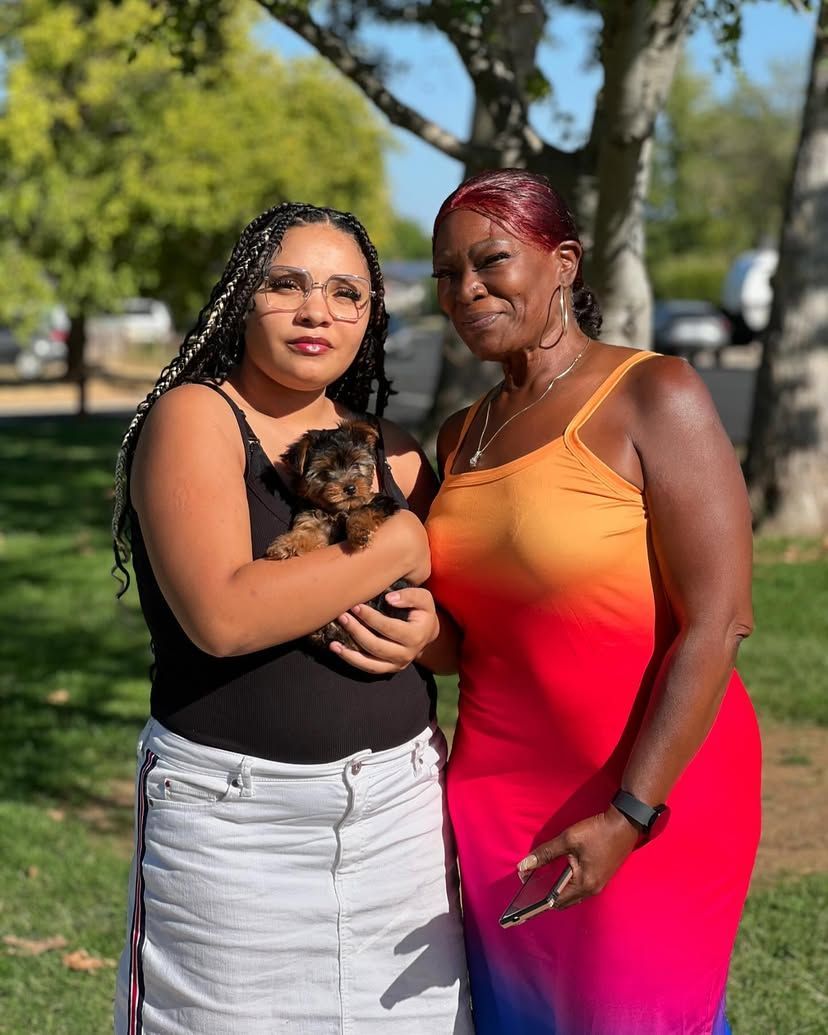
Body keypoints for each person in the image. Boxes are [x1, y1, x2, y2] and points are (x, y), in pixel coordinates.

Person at [111, 201, 472, 1035]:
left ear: (369, 318)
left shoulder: (396, 448)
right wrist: (395, 542)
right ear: (243, 297)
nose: (319, 310)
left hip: (398, 818)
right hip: (235, 831)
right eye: (288, 284)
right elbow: (224, 615)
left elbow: (451, 636)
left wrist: (428, 635)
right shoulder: (198, 417)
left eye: (347, 293)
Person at [425, 169, 761, 1034]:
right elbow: (471, 635)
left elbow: (717, 620)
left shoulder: (655, 394)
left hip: (651, 792)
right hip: (498, 802)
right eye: (447, 275)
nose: (467, 290)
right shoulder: (462, 433)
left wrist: (631, 812)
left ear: (563, 262)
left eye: (491, 261)